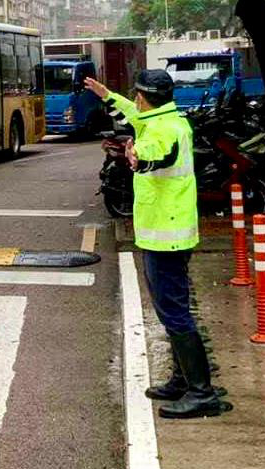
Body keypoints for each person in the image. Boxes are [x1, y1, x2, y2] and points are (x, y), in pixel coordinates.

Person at [85, 69, 226, 419]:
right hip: (163, 234)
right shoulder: (159, 118)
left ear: (144, 97)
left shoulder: (164, 130)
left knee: (175, 313)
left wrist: (138, 157)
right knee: (170, 311)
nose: (134, 101)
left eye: (136, 95)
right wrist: (107, 95)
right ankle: (182, 380)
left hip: (168, 237)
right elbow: (132, 116)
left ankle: (202, 392)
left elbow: (155, 153)